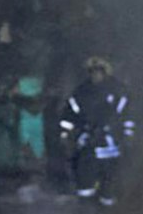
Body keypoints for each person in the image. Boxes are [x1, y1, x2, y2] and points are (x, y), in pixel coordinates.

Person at [57, 56, 136, 205]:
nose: (95, 75)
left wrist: (127, 137)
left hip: (112, 146)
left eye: (98, 71)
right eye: (92, 72)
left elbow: (128, 116)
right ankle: (86, 212)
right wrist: (66, 136)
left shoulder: (117, 91)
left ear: (105, 73)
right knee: (85, 182)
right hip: (88, 146)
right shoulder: (81, 92)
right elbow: (69, 116)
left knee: (109, 185)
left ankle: (108, 213)